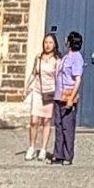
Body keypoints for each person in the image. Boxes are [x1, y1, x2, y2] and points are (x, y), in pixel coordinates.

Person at [51, 29, 85, 165]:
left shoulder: (77, 58)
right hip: (59, 94)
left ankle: (67, 155)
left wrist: (71, 98)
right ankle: (58, 153)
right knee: (59, 125)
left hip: (68, 94)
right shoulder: (66, 57)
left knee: (67, 127)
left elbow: (78, 79)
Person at [26, 28, 60, 163]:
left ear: (54, 44)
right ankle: (31, 147)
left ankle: (43, 149)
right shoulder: (38, 58)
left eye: (50, 43)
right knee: (34, 120)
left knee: (46, 121)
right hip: (37, 92)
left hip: (50, 93)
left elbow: (58, 78)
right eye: (46, 42)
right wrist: (26, 87)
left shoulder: (57, 60)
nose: (47, 45)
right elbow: (33, 73)